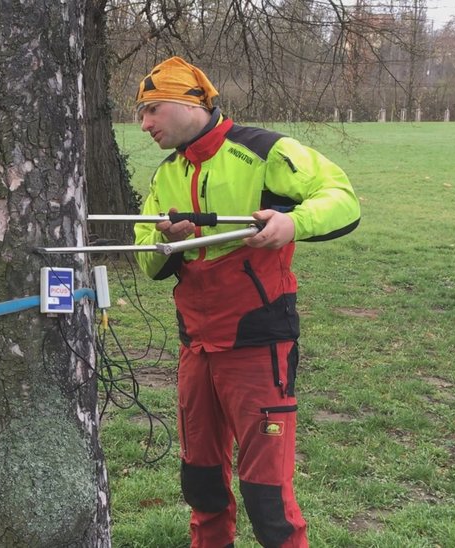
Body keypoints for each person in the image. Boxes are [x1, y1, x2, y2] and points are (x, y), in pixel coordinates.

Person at [133, 56, 360, 548]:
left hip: (257, 344)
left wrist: (291, 224)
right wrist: (166, 243)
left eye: (152, 109)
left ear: (190, 102)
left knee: (267, 501)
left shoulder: (264, 150)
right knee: (202, 485)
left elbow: (341, 197)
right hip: (196, 347)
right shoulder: (166, 174)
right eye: (141, 113)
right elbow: (145, 258)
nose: (145, 124)